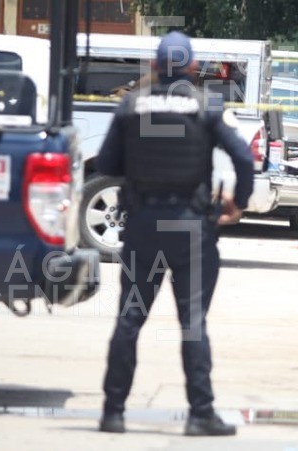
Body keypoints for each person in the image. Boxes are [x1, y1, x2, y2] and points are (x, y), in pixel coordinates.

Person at [97, 31, 254, 436]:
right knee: (193, 322)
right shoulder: (205, 105)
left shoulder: (131, 106)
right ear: (191, 69)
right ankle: (201, 414)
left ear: (154, 67)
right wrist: (240, 202)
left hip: (144, 226)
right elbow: (243, 156)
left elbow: (108, 162)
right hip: (190, 228)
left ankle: (113, 412)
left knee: (130, 318)